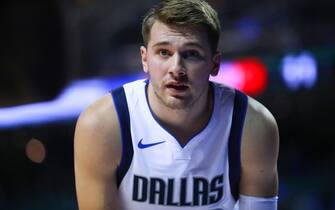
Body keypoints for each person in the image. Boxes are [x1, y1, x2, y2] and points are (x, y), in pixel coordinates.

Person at [74, 0, 279, 209]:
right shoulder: (102, 124)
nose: (177, 69)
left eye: (191, 54)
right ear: (144, 59)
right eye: (164, 52)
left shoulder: (252, 125)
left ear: (214, 64)